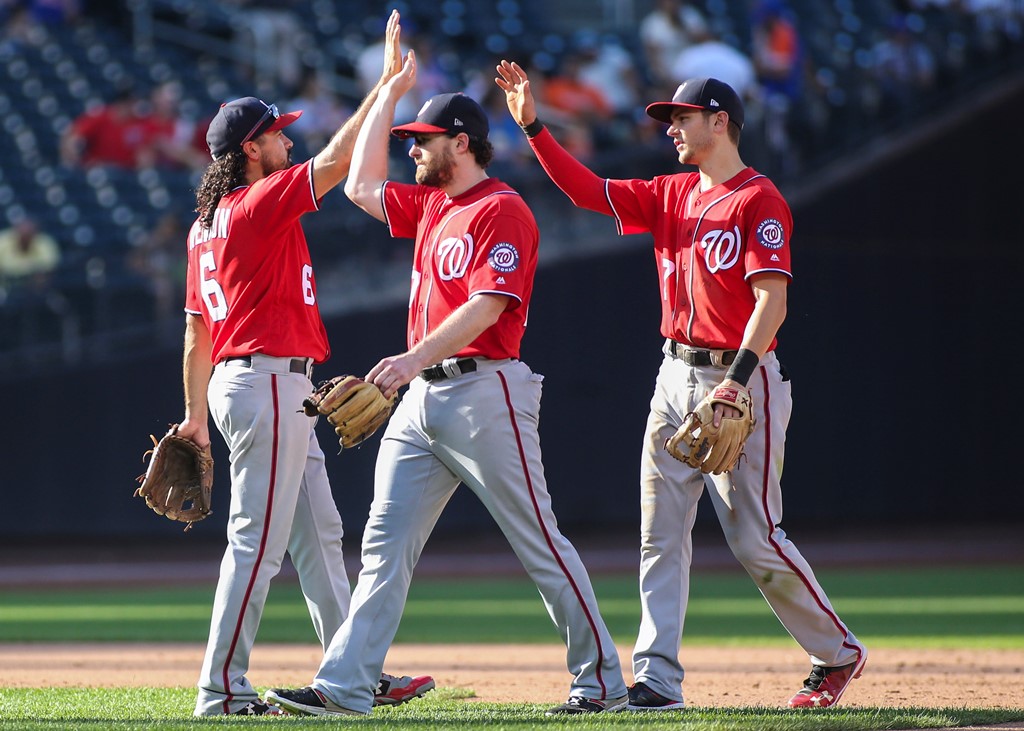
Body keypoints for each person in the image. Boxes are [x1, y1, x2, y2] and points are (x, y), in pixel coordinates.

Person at [264, 44, 628, 718]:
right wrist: (388, 93)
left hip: (485, 391)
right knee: (382, 549)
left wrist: (405, 361)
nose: (412, 151)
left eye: (422, 141)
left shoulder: (503, 209)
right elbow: (359, 186)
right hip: (422, 398)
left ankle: (601, 680)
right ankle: (343, 687)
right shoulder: (432, 206)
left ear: (460, 142)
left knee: (540, 543)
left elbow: (487, 306)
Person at [495, 62, 867, 710]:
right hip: (673, 374)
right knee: (659, 532)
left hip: (739, 380)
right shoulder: (671, 194)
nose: (670, 129)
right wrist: (533, 126)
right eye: (669, 121)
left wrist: (735, 384)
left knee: (755, 537)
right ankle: (658, 678)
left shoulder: (759, 199)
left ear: (719, 121)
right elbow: (586, 190)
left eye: (681, 119)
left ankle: (838, 652)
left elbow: (770, 303)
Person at [175, 11, 432, 716]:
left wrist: (196, 414)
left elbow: (198, 331)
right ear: (251, 150)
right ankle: (219, 690)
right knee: (256, 546)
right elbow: (339, 162)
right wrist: (383, 89)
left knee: (320, 535)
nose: (288, 138)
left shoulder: (206, 225)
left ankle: (351, 671)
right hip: (265, 383)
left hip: (252, 384)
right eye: (278, 132)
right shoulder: (256, 203)